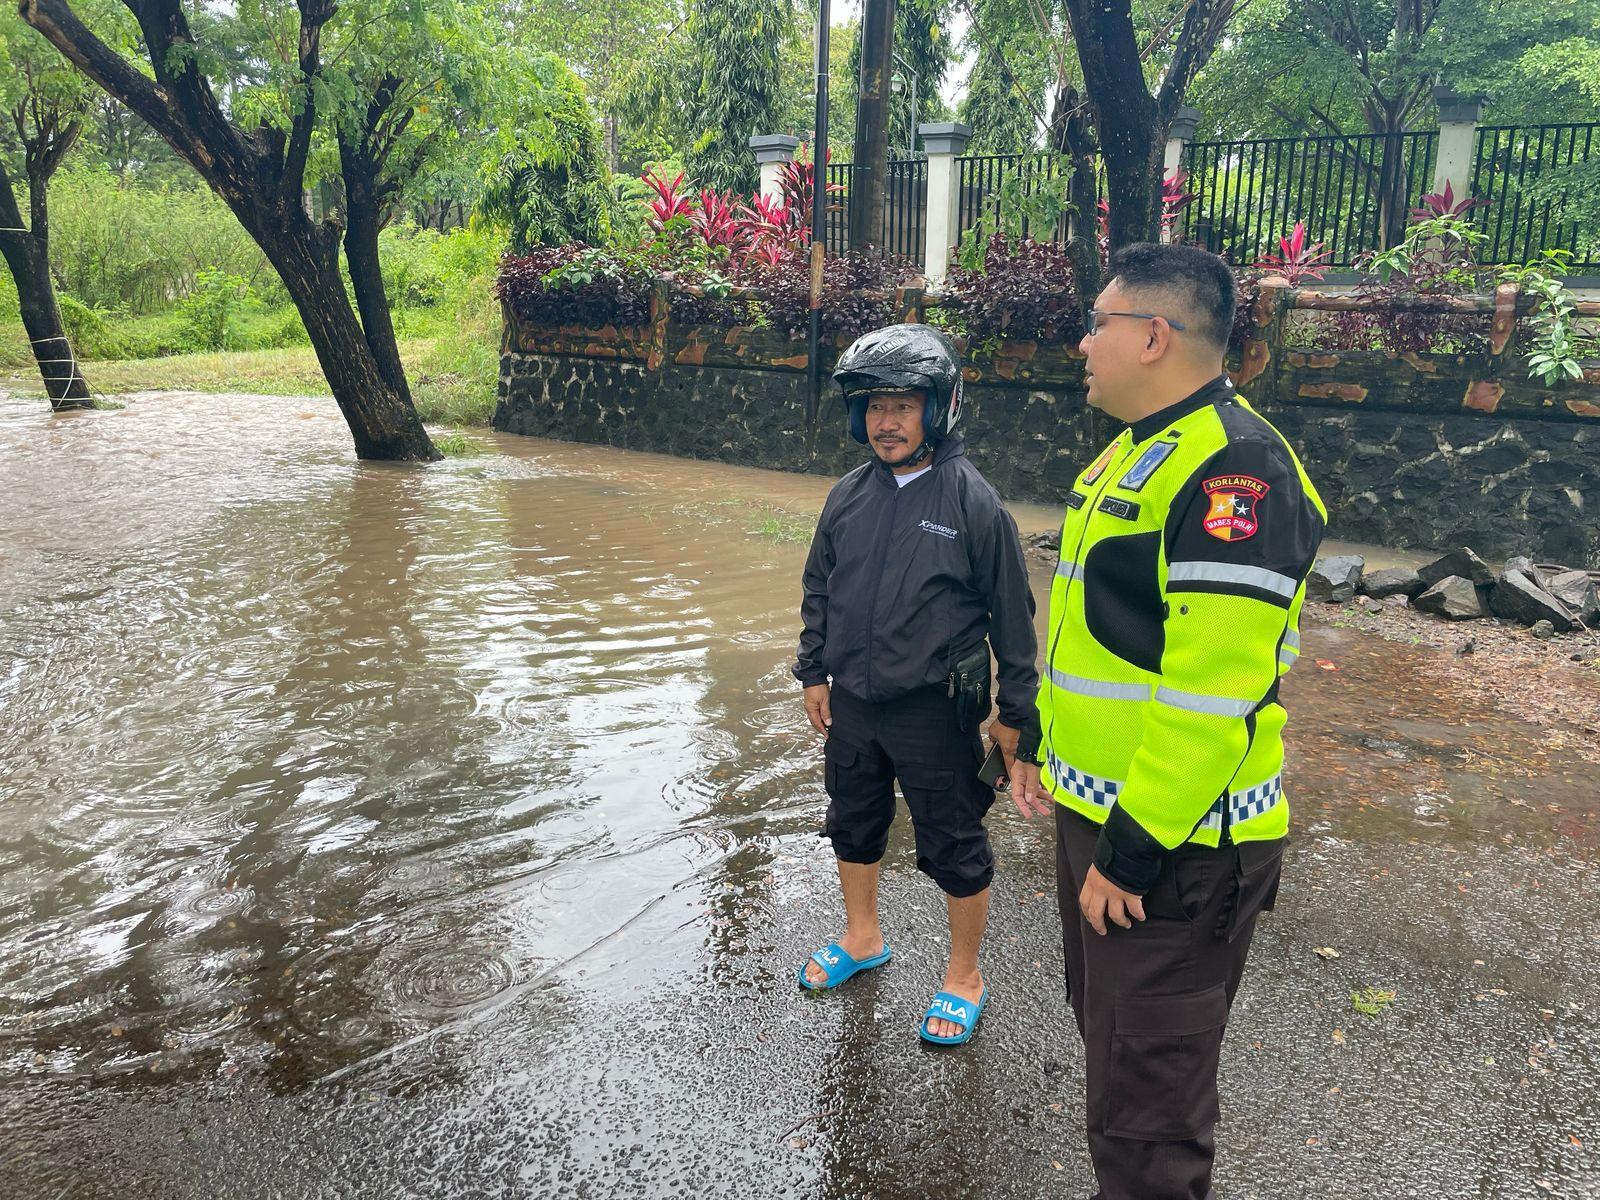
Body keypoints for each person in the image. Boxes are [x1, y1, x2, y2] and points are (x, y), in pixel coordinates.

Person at [1007, 243, 1326, 1198]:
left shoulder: (1239, 471)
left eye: (1096, 323)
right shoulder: (1134, 451)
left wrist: (1132, 849)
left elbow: (1209, 691)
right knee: (1115, 1055)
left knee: (1150, 1113)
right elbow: (1101, 640)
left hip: (1176, 849)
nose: (1081, 342)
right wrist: (1030, 745)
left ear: (1153, 335)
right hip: (1104, 820)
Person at [793, 322, 1039, 1045]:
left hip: (935, 710)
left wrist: (1015, 717)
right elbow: (819, 586)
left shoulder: (972, 502)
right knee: (853, 820)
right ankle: (863, 937)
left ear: (939, 407)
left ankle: (964, 976)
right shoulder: (846, 496)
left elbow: (1015, 623)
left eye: (903, 405)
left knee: (954, 841)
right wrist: (814, 670)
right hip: (855, 705)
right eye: (874, 407)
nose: (887, 422)